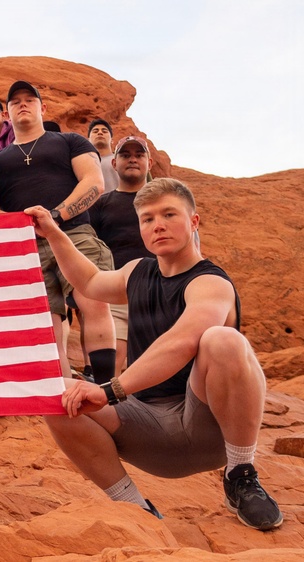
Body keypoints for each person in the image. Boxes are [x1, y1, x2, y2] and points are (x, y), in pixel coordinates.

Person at [27, 178, 283, 531]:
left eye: (168, 214)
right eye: (147, 219)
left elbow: (182, 342)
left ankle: (241, 476)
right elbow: (89, 283)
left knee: (223, 341)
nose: (157, 224)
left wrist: (108, 390)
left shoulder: (211, 283)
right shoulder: (138, 272)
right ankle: (136, 510)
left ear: (193, 222)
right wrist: (54, 234)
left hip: (208, 427)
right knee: (56, 395)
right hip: (148, 432)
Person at [0, 80, 116, 384]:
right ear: (7, 114)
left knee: (94, 301)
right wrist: (18, 223)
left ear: (42, 107)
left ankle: (106, 389)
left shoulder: (69, 141)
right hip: (27, 245)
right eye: (15, 101)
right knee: (46, 323)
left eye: (29, 99)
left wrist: (56, 217)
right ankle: (60, 394)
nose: (23, 104)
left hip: (74, 234)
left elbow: (94, 182)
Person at [88, 136, 156, 374]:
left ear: (150, 162)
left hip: (158, 291)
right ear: (114, 164)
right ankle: (110, 409)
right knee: (113, 365)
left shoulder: (161, 201)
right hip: (116, 293)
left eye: (139, 155)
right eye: (126, 155)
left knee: (154, 365)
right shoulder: (101, 204)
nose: (133, 159)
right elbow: (90, 250)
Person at [88, 118, 119, 193]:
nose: (100, 133)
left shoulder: (121, 160)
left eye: (104, 131)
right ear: (88, 139)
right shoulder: (82, 163)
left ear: (112, 140)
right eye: (95, 131)